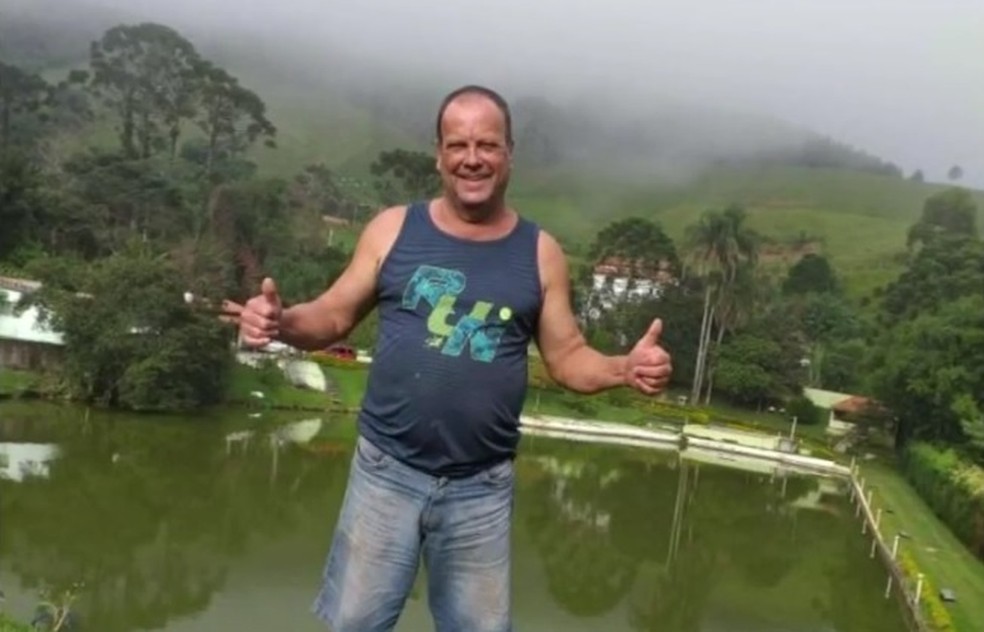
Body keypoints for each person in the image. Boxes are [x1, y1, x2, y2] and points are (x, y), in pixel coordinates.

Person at [230, 84, 673, 632]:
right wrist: (281, 321)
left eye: (487, 144)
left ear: (509, 153)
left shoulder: (541, 254)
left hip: (480, 490)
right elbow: (333, 315)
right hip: (385, 473)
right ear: (438, 155)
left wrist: (624, 368)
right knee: (355, 624)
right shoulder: (393, 230)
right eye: (458, 144)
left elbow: (567, 357)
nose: (472, 158)